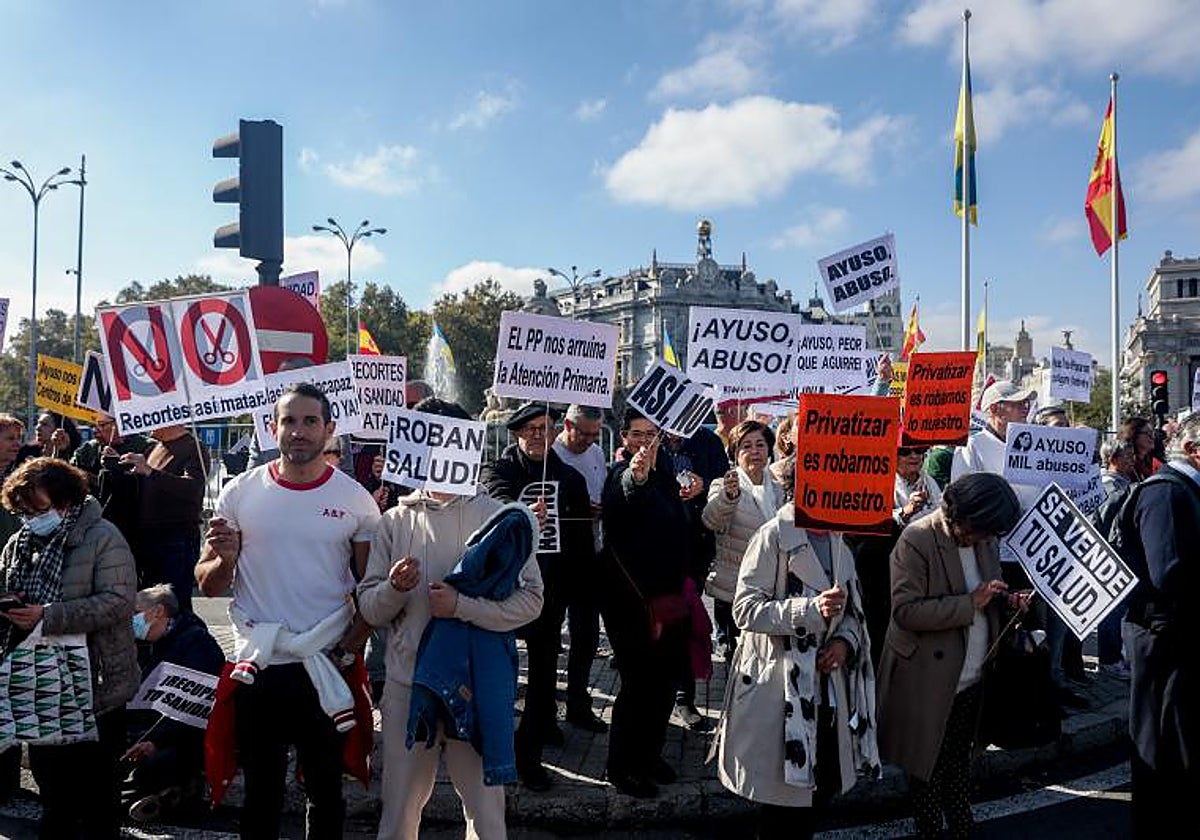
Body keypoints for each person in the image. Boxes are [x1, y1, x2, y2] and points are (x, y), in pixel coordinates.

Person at [196, 383, 381, 840]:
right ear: (273, 427)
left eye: (309, 421)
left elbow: (369, 585)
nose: (298, 431)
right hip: (261, 664)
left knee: (325, 792)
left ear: (329, 429)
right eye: (289, 421)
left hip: (327, 663)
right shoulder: (240, 492)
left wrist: (353, 642)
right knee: (261, 792)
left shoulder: (355, 498)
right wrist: (226, 558)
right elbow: (208, 585)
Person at [358, 397, 545, 840]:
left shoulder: (501, 520)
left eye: (450, 440)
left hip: (476, 687)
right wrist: (394, 589)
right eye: (429, 441)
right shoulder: (393, 522)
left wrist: (462, 608)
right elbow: (369, 609)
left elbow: (532, 602)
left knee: (486, 817)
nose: (440, 453)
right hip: (408, 687)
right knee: (399, 815)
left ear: (469, 446)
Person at [712, 479, 879, 839]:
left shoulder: (838, 542)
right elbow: (745, 609)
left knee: (819, 793)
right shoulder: (773, 536)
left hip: (826, 694)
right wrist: (808, 610)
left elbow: (852, 613)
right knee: (782, 808)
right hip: (780, 693)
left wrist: (844, 645)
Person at [878, 473, 1029, 839]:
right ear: (965, 519)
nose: (988, 540)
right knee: (926, 769)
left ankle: (962, 828)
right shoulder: (917, 539)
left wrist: (1009, 603)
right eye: (984, 531)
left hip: (972, 674)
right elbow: (905, 612)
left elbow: (987, 592)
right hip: (926, 679)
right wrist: (968, 603)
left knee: (958, 767)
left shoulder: (985, 541)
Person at [0, 456, 140, 838]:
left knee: (98, 797)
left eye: (38, 509)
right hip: (41, 684)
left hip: (95, 683)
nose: (30, 518)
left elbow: (118, 601)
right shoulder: (20, 541)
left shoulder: (103, 536)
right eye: (23, 510)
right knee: (54, 791)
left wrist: (49, 615)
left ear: (66, 502)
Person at [481, 401, 593, 790]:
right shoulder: (500, 469)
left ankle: (529, 755)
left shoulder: (571, 479)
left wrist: (579, 587)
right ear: (516, 433)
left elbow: (580, 543)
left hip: (550, 591)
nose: (538, 435)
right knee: (499, 673)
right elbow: (495, 501)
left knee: (544, 673)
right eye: (530, 428)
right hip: (501, 590)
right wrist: (521, 512)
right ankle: (492, 743)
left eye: (545, 427)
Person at [599, 408, 693, 798]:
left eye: (651, 434)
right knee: (638, 685)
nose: (645, 442)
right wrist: (636, 476)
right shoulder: (620, 475)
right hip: (630, 602)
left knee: (665, 683)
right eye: (637, 434)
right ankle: (621, 767)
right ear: (624, 437)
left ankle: (650, 755)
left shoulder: (668, 476)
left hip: (669, 598)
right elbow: (627, 490)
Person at [1122, 414, 1200, 836]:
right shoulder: (1166, 494)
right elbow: (1168, 572)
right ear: (1192, 449)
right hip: (1161, 638)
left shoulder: (1185, 489)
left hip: (1177, 635)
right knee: (1160, 741)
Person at [122, 583, 225, 822]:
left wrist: (155, 741)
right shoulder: (151, 644)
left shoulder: (197, 646)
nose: (131, 620)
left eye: (135, 613)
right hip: (146, 729)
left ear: (158, 612)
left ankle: (173, 793)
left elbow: (195, 710)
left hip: (185, 736)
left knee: (153, 763)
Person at [662, 423, 728, 731]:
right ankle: (657, 693)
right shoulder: (650, 436)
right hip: (657, 547)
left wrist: (707, 486)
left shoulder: (707, 441)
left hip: (695, 547)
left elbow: (725, 482)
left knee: (686, 618)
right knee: (661, 621)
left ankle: (683, 696)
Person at [550, 404, 610, 732]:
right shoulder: (551, 455)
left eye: (594, 434)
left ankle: (578, 702)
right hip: (558, 560)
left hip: (590, 554)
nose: (588, 440)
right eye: (583, 433)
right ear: (568, 424)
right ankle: (545, 710)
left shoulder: (597, 452)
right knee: (548, 639)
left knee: (586, 635)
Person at [702, 420, 783, 660]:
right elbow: (711, 520)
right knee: (737, 660)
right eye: (746, 446)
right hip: (734, 590)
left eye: (760, 444)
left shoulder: (779, 489)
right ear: (735, 453)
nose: (754, 451)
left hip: (770, 589)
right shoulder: (725, 484)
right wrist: (729, 497)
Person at [121, 424, 209, 612]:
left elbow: (192, 488)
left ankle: (185, 640)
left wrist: (150, 472)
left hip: (176, 541)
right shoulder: (153, 448)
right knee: (150, 608)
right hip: (148, 539)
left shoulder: (194, 448)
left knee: (174, 607)